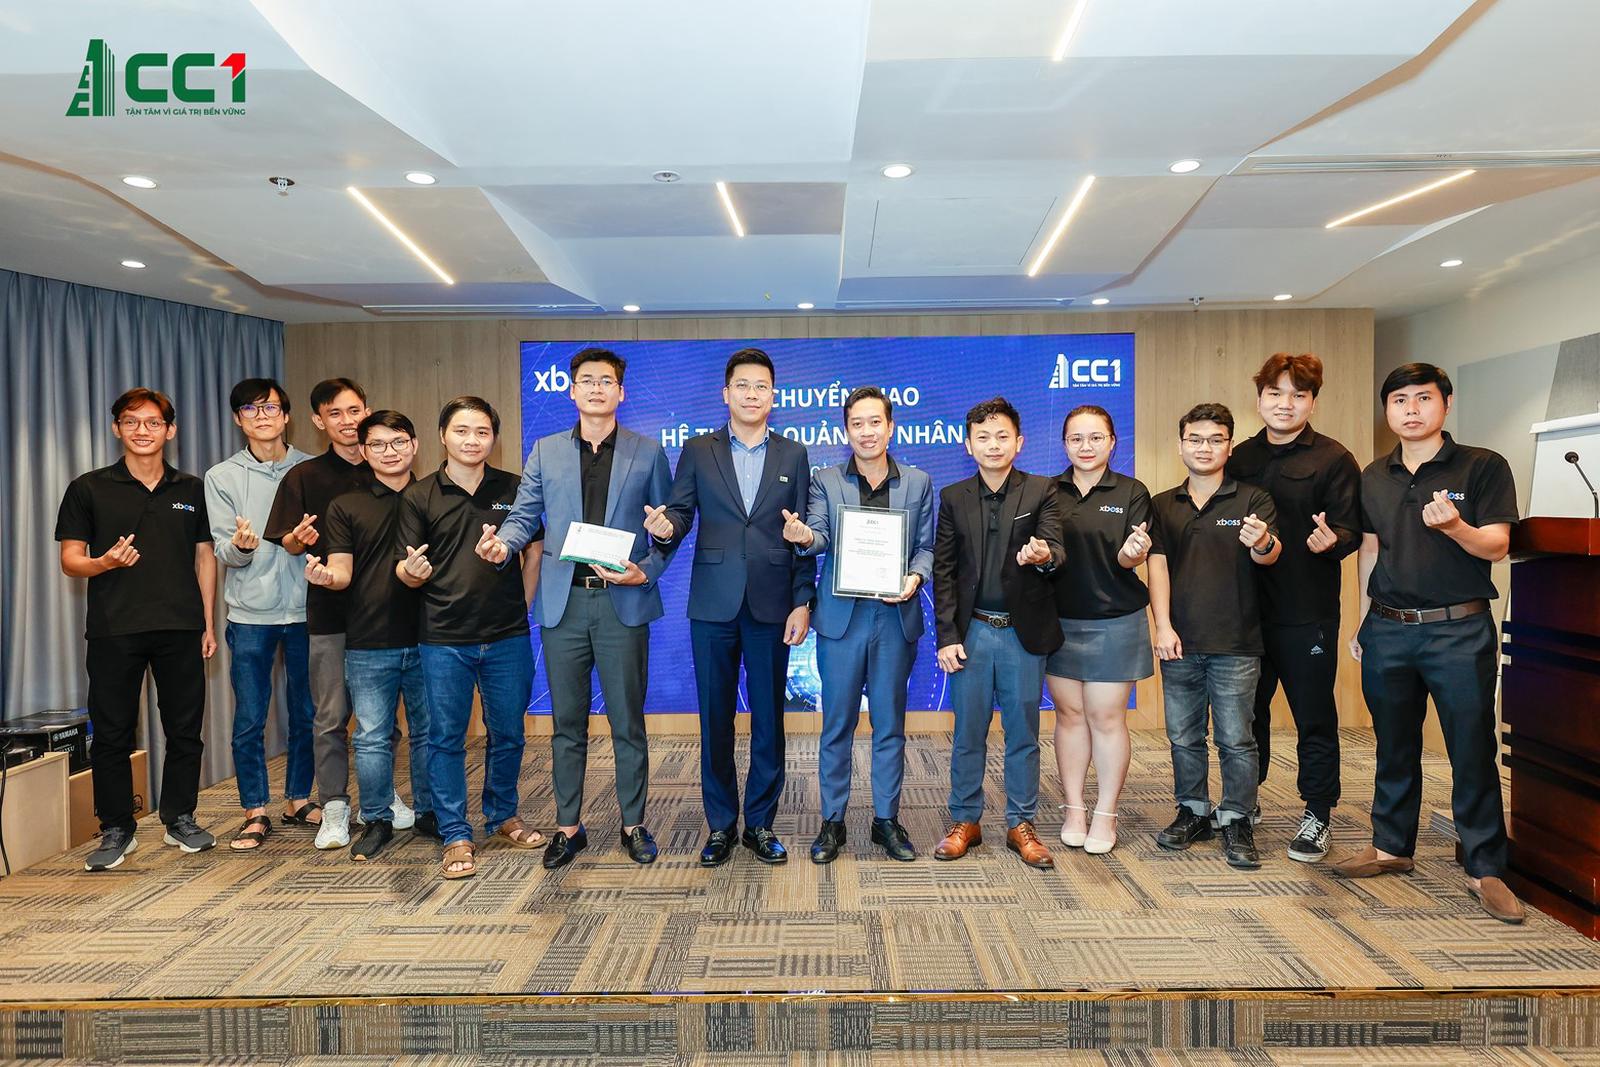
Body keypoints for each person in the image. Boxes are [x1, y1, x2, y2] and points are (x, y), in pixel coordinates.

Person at [1333, 363, 1525, 924]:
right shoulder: (1374, 475)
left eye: (1423, 398)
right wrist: (1363, 621)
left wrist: (1455, 527)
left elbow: (1497, 546)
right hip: (1388, 627)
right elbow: (1371, 550)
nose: (1411, 409)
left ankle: (1485, 866)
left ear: (1446, 403)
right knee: (1393, 744)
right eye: (1399, 400)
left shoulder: (1483, 465)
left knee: (1470, 747)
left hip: (1458, 629)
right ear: (1387, 410)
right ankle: (1391, 846)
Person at [477, 348, 675, 868]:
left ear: (620, 392)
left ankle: (633, 825)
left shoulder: (648, 452)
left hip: (622, 603)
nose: (596, 388)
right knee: (567, 723)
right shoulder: (545, 451)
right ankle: (568, 827)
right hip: (564, 605)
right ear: (571, 390)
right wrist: (503, 544)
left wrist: (647, 568)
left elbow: (669, 525)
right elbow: (524, 515)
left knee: (628, 722)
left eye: (606, 381)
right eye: (586, 380)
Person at [643, 348, 814, 867]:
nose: (751, 394)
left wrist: (802, 601)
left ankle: (760, 824)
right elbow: (680, 513)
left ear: (773, 396)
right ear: (726, 393)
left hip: (772, 604)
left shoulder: (793, 454)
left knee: (769, 720)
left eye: (761, 386)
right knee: (715, 719)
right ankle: (720, 825)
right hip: (713, 605)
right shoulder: (699, 450)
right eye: (742, 385)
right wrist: (665, 528)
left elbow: (802, 534)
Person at [56, 387, 219, 871]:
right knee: (112, 732)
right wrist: (103, 562)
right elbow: (70, 560)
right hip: (115, 628)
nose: (142, 430)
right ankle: (116, 828)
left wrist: (208, 622)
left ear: (170, 430)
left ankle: (179, 817)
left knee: (185, 729)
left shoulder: (191, 489)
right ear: (117, 429)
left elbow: (205, 557)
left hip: (181, 626)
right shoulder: (88, 488)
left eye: (153, 422)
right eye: (131, 422)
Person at [786, 386, 935, 864]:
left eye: (875, 422)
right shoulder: (826, 480)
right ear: (845, 430)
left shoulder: (918, 482)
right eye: (857, 424)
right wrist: (804, 536)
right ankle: (832, 821)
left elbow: (927, 547)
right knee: (837, 725)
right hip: (842, 620)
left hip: (894, 616)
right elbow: (818, 536)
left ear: (890, 427)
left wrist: (915, 576)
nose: (867, 432)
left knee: (890, 725)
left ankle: (886, 819)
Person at [398, 396, 544, 879]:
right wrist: (412, 573)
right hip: (443, 638)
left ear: (493, 438)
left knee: (509, 733)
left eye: (482, 432)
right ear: (443, 435)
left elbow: (534, 550)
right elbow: (406, 567)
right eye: (461, 431)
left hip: (507, 636)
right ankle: (455, 833)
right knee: (445, 739)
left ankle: (502, 816)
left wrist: (523, 606)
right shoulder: (419, 495)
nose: (472, 440)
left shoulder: (514, 488)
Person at [1226, 353, 1361, 862]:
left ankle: (1318, 813)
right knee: (1246, 716)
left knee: (1314, 715)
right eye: (1275, 393)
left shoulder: (1333, 459)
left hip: (1307, 612)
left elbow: (1351, 529)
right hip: (1245, 612)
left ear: (1312, 402)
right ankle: (1247, 800)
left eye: (1298, 395)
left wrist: (1334, 540)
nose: (1286, 404)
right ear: (1259, 399)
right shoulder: (1239, 457)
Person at [931, 397, 1065, 870]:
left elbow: (1057, 549)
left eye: (1002, 436)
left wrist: (1043, 556)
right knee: (968, 732)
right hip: (971, 633)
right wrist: (946, 635)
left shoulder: (1042, 490)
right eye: (983, 437)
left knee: (1023, 734)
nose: (993, 445)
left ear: (1019, 442)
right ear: (968, 445)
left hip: (1020, 634)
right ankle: (964, 820)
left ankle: (1021, 824)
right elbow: (943, 571)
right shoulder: (953, 497)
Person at [1148, 402, 1280, 870]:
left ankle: (1238, 817)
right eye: (1195, 439)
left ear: (1229, 445)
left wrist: (1262, 541)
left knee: (1236, 738)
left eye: (1215, 440)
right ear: (1181, 444)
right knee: (1183, 736)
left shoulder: (1253, 499)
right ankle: (1193, 810)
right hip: (1180, 642)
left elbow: (1269, 554)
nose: (1204, 448)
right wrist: (1163, 626)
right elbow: (1157, 567)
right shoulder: (1162, 504)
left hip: (1236, 643)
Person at [265, 378, 391, 849]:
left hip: (388, 619)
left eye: (354, 410)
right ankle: (334, 806)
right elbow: (287, 540)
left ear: (367, 411)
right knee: (331, 717)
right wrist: (298, 539)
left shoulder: (390, 470)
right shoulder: (304, 477)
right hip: (330, 616)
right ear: (318, 422)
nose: (348, 421)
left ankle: (384, 797)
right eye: (335, 413)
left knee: (383, 721)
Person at [304, 411, 436, 861]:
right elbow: (341, 570)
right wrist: (326, 578)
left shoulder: (435, 497)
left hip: (433, 636)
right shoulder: (346, 505)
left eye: (398, 442)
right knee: (372, 736)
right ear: (363, 451)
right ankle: (377, 818)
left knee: (429, 732)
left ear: (415, 445)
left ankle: (430, 813)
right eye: (377, 444)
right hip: (369, 638)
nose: (389, 452)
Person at [205, 378, 317, 852]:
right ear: (238, 419)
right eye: (250, 409)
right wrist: (242, 547)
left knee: (307, 713)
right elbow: (222, 549)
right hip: (250, 615)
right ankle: (254, 809)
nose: (262, 416)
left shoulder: (311, 469)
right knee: (251, 716)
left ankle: (298, 799)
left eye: (270, 407)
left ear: (286, 415)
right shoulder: (221, 476)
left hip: (308, 609)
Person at [1046, 405, 1154, 857]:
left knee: (1106, 718)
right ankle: (1074, 810)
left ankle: (1106, 813)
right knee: (1069, 716)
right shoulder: (1048, 491)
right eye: (1076, 439)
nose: (1085, 447)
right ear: (1064, 444)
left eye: (1095, 438)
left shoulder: (1132, 491)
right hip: (1058, 621)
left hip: (1115, 620)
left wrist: (1132, 554)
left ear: (1113, 442)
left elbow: (1130, 557)